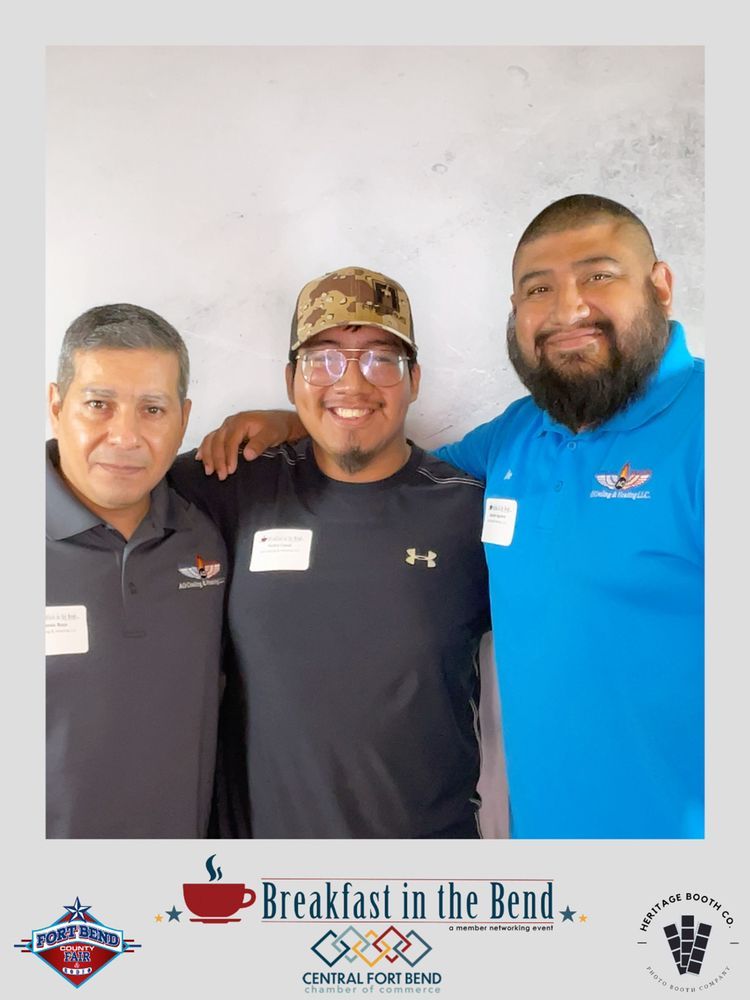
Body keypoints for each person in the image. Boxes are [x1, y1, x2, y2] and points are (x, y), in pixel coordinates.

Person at [200, 196, 704, 839]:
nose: (569, 306)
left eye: (599, 275)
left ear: (660, 286)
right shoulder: (517, 439)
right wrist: (311, 419)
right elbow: (393, 469)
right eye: (538, 287)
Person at [169, 266, 491, 838]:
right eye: (323, 360)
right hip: (260, 886)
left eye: (380, 359)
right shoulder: (232, 486)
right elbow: (111, 482)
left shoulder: (468, 513)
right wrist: (298, 424)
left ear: (414, 378)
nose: (352, 382)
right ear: (292, 379)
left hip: (428, 881)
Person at [46, 303, 226, 838]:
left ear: (184, 419)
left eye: (152, 409)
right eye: (98, 404)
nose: (125, 436)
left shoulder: (208, 533)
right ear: (56, 405)